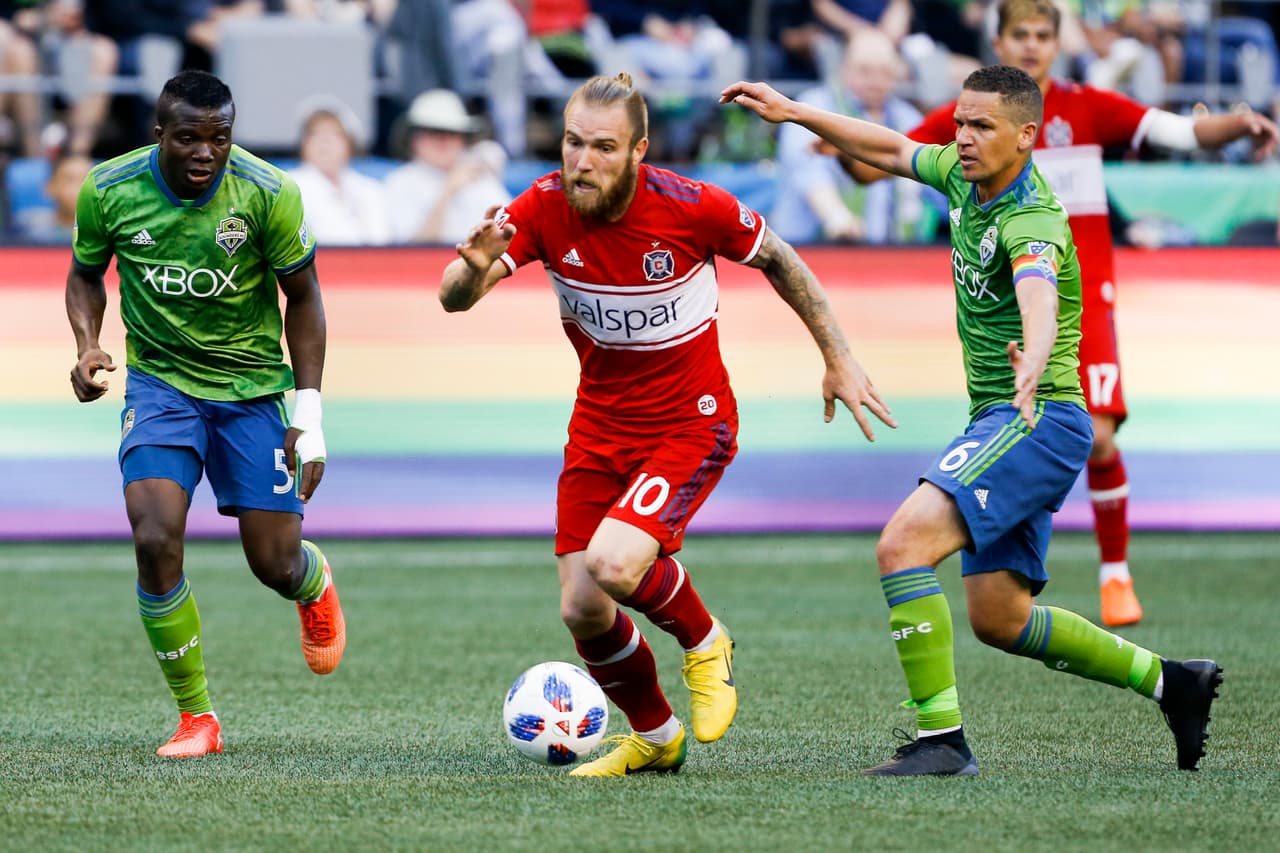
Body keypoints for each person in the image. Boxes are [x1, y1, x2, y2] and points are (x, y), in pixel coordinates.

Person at [722, 66, 1223, 776]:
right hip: (1005, 417)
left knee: (901, 545)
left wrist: (1036, 355)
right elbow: (892, 148)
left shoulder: (1030, 216)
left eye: (981, 126)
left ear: (1026, 137)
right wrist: (794, 110)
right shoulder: (965, 179)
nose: (961, 138)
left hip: (1037, 415)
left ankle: (942, 742)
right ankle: (1175, 681)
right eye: (959, 122)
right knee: (1000, 617)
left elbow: (1039, 291)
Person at [439, 72, 894, 777]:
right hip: (597, 425)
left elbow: (779, 257)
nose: (580, 161)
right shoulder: (540, 208)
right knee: (583, 608)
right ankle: (656, 735)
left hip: (692, 420)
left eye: (601, 147)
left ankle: (707, 638)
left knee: (615, 563)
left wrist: (837, 356)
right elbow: (452, 299)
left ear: (638, 151)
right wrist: (470, 269)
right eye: (570, 142)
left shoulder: (692, 206)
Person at [846, 0, 1280, 627]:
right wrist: (835, 146)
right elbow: (882, 158)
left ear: (1057, 42)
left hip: (1080, 299)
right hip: (1011, 312)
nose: (1031, 46)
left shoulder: (1089, 107)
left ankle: (1115, 572)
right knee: (1010, 578)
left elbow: (1178, 133)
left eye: (1042, 35)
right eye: (1019, 34)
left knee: (1097, 433)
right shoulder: (975, 114)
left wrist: (1241, 124)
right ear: (999, 40)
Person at [64, 69, 345, 759]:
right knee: (155, 534)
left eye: (219, 139)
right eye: (187, 137)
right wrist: (89, 345)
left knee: (272, 563)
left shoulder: (269, 193)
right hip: (161, 388)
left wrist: (306, 412)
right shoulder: (108, 189)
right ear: (158, 134)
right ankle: (198, 718)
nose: (204, 153)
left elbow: (303, 298)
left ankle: (312, 580)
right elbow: (83, 273)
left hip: (250, 391)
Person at [771, 28, 930, 245]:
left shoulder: (908, 119)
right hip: (811, 248)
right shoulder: (810, 108)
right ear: (844, 69)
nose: (876, 81)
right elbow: (808, 172)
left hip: (892, 255)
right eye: (865, 71)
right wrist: (837, 218)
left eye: (885, 72)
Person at [384, 88, 511, 244]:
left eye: (452, 133)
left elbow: (510, 236)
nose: (443, 140)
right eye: (433, 132)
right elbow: (412, 250)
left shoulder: (481, 180)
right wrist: (448, 191)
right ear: (415, 139)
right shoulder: (400, 183)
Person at [290, 100, 393, 246]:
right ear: (303, 143)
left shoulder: (372, 189)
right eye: (314, 133)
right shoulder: (287, 188)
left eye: (335, 134)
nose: (324, 141)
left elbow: (384, 241)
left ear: (350, 144)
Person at [14, 153, 92, 244]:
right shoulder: (28, 229)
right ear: (50, 187)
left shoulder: (107, 234)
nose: (79, 189)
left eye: (87, 180)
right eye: (69, 180)